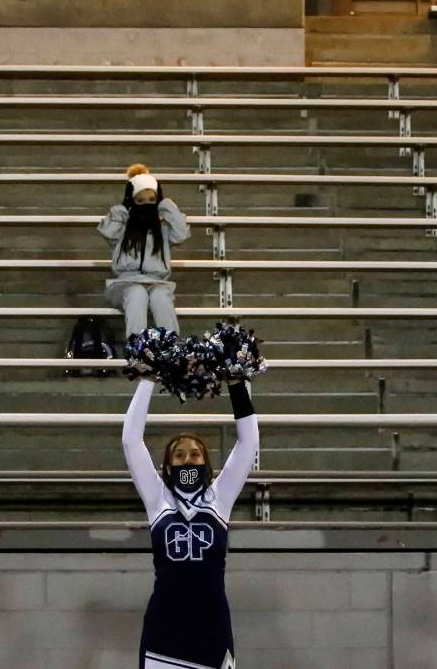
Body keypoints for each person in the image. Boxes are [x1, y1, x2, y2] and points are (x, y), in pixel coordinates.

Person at [121, 376, 259, 669]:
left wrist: (235, 383)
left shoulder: (219, 497)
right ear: (168, 466)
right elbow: (131, 441)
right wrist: (146, 378)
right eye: (179, 455)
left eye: (195, 454)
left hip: (211, 626)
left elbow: (249, 443)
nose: (187, 460)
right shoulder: (157, 498)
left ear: (206, 463)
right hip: (164, 628)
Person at [99, 163, 190, 339]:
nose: (146, 204)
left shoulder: (163, 228)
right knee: (137, 293)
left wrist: (166, 205)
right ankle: (138, 350)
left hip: (157, 282)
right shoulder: (122, 226)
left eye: (151, 200)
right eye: (139, 201)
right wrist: (123, 208)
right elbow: (107, 232)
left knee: (161, 297)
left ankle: (170, 351)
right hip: (124, 284)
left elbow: (181, 235)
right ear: (131, 200)